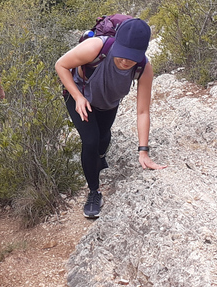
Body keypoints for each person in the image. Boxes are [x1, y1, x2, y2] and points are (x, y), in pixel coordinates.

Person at [55, 18, 166, 218]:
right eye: (122, 54)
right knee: (91, 140)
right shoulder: (96, 48)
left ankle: (99, 159)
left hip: (108, 102)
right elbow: (61, 65)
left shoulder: (143, 68)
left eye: (131, 57)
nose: (125, 62)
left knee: (104, 137)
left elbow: (142, 111)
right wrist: (78, 97)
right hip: (81, 96)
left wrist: (143, 151)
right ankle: (93, 192)